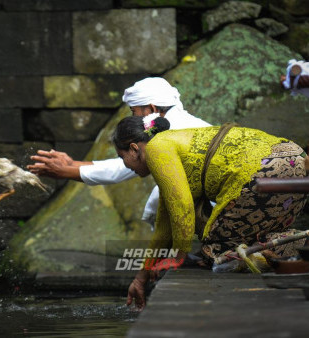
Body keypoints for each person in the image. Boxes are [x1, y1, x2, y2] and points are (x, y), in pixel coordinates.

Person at [112, 116, 308, 309]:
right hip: (296, 161)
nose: (125, 165)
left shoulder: (156, 148)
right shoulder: (171, 146)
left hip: (265, 169)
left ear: (134, 148)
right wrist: (140, 278)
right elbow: (164, 228)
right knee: (255, 241)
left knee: (215, 253)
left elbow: (182, 207)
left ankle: (300, 246)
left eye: (122, 158)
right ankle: (302, 245)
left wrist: (179, 256)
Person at [28, 77, 211, 226]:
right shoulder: (182, 122)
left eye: (134, 112)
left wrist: (67, 170)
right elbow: (126, 162)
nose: (133, 118)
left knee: (161, 200)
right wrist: (72, 164)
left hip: (223, 205)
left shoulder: (169, 132)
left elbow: (124, 167)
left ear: (152, 109)